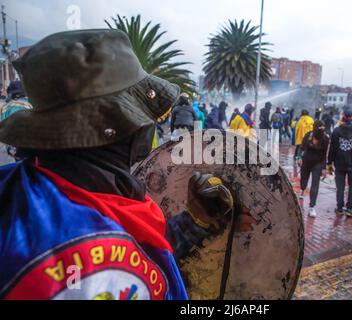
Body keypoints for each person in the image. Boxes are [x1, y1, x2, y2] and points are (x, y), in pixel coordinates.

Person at [0, 29, 234, 300]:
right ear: (127, 128)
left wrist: (193, 223)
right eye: (144, 112)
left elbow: (133, 250)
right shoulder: (81, 246)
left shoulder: (22, 187)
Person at [327, 110, 352, 217]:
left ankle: (339, 207)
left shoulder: (336, 131)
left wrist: (329, 162)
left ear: (342, 118)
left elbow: (332, 149)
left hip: (339, 163)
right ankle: (349, 209)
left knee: (340, 187)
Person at [297, 120, 329, 218]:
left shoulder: (325, 139)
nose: (321, 131)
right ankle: (302, 189)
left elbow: (324, 155)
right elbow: (301, 148)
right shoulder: (308, 136)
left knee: (315, 184)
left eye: (323, 129)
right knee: (303, 180)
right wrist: (299, 158)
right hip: (306, 161)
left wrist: (324, 168)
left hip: (318, 163)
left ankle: (312, 206)